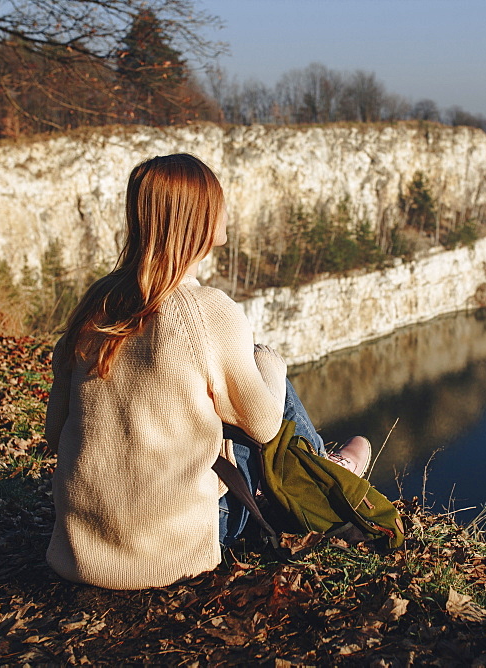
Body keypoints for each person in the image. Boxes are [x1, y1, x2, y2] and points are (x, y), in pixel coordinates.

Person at [43, 154, 370, 590]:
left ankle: (321, 468)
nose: (227, 209)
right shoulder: (207, 311)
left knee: (211, 392)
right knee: (263, 372)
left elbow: (54, 432)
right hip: (176, 553)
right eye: (218, 201)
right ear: (198, 219)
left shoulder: (96, 302)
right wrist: (271, 365)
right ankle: (327, 478)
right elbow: (266, 424)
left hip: (80, 551)